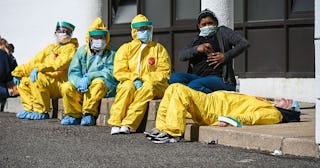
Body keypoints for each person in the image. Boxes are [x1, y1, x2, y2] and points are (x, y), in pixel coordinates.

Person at [146, 83, 301, 143]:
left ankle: (173, 133)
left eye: (288, 101)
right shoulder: (267, 102)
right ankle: (162, 127)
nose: (284, 99)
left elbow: (250, 118)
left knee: (179, 89)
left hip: (213, 109)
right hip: (211, 101)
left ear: (289, 110)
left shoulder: (274, 113)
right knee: (172, 88)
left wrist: (227, 120)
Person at [108, 14, 171, 134]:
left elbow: (164, 72)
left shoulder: (158, 49)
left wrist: (144, 79)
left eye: (147, 29)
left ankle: (128, 123)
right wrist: (134, 78)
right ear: (134, 31)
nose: (145, 32)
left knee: (148, 88)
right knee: (126, 87)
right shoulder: (125, 49)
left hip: (156, 85)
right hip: (132, 82)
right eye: (141, 29)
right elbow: (119, 71)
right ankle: (116, 122)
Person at [169, 9, 249, 93]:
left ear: (216, 23)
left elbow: (243, 43)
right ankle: (199, 93)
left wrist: (225, 56)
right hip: (198, 77)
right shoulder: (196, 40)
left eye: (210, 23)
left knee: (194, 86)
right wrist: (197, 49)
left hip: (219, 78)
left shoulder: (223, 32)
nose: (207, 26)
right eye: (204, 24)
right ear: (199, 26)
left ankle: (209, 97)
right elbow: (181, 56)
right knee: (174, 78)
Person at [12, 21, 78, 120]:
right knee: (23, 81)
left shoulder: (71, 48)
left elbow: (59, 64)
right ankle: (30, 109)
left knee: (38, 78)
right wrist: (19, 72)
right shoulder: (50, 48)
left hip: (60, 82)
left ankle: (41, 111)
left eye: (67, 32)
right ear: (55, 33)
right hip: (49, 80)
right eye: (61, 31)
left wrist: (39, 69)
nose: (64, 34)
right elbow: (34, 61)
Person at [60, 17, 118, 126]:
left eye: (101, 37)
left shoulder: (113, 52)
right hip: (83, 84)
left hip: (104, 85)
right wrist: (79, 82)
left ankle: (89, 114)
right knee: (66, 87)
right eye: (95, 37)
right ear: (89, 38)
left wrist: (90, 76)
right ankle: (73, 115)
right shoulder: (82, 51)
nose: (98, 40)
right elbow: (74, 71)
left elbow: (112, 72)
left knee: (98, 84)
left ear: (106, 37)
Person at [0, 38, 18, 111]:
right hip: (8, 88)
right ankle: (2, 107)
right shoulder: (11, 57)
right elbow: (15, 72)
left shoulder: (7, 57)